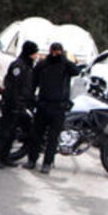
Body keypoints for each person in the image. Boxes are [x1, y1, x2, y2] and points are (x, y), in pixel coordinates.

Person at [22, 43, 80, 174]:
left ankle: (47, 163)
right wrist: (32, 99)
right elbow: (33, 82)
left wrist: (64, 59)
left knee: (53, 138)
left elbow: (76, 71)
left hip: (58, 106)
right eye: (54, 51)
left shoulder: (65, 65)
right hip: (43, 104)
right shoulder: (43, 64)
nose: (55, 54)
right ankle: (32, 160)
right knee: (36, 135)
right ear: (50, 51)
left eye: (58, 52)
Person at [0, 40, 39, 169]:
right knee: (4, 132)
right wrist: (15, 103)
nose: (36, 55)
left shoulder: (28, 66)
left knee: (12, 133)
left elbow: (27, 87)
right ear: (29, 52)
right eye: (35, 52)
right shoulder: (18, 65)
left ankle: (5, 157)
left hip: (21, 105)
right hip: (13, 104)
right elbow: (13, 87)